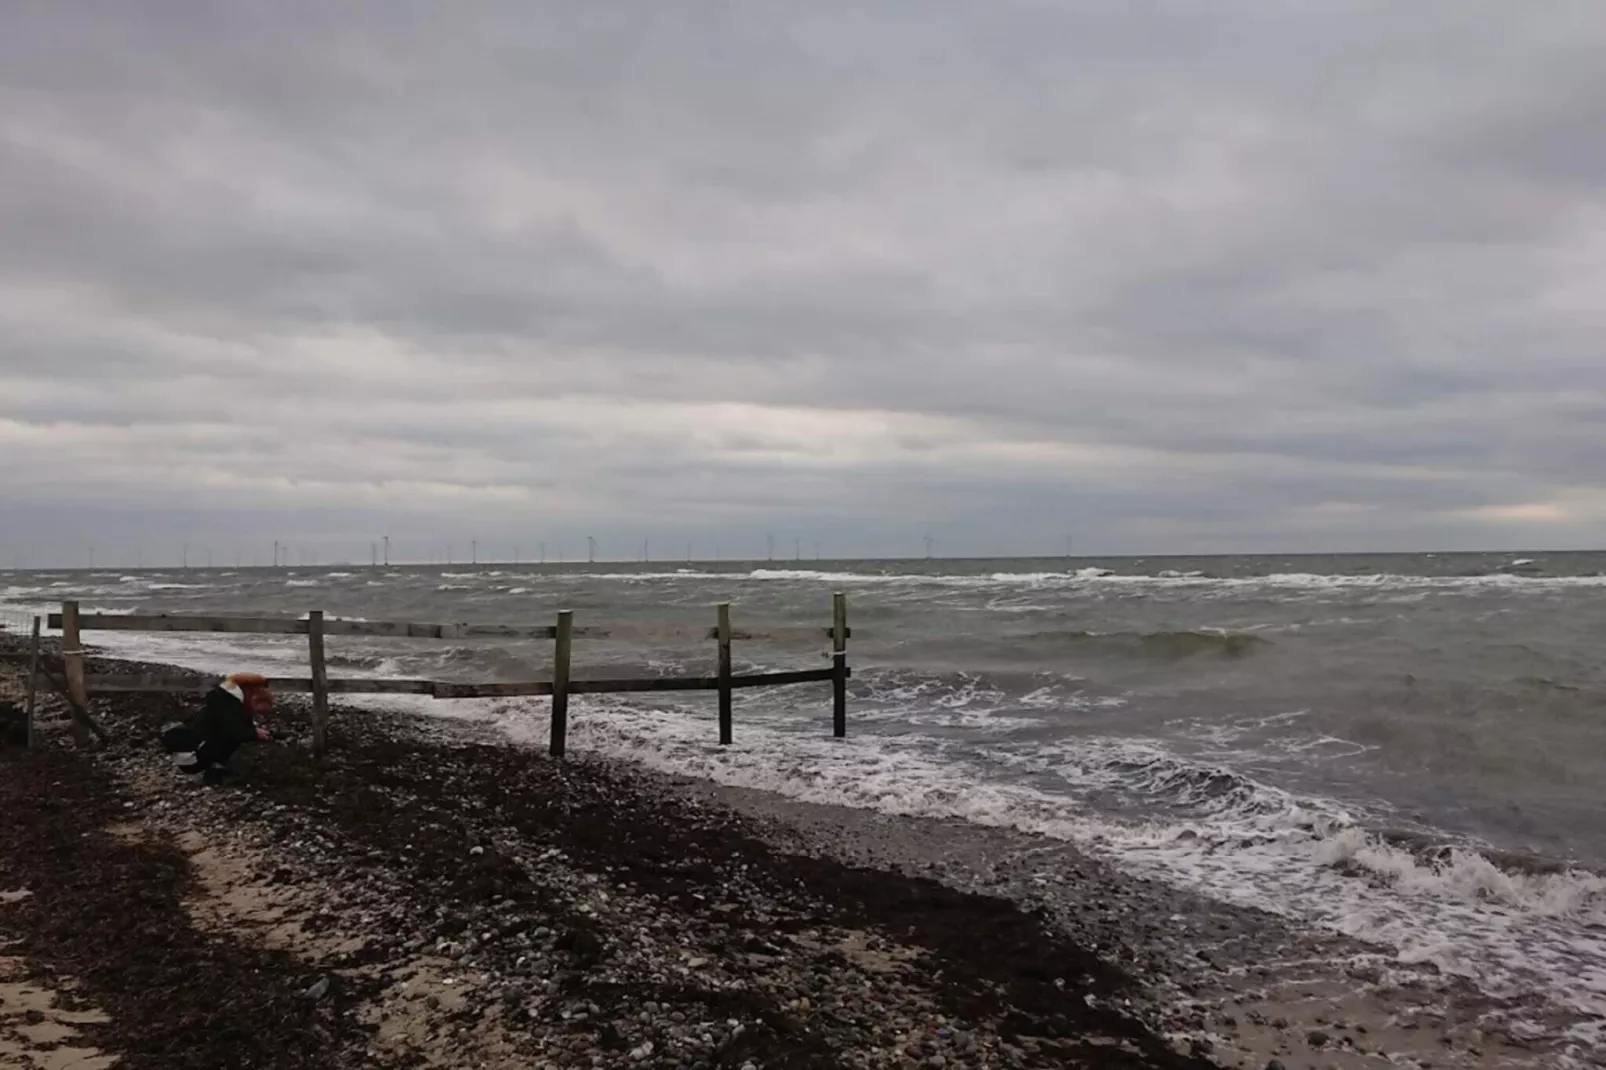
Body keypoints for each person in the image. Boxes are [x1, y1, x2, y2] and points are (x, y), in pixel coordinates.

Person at [160, 672, 273, 784]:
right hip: (193, 759)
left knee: (227, 737)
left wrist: (253, 730)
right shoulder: (229, 705)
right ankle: (215, 772)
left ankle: (213, 768)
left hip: (188, 754)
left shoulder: (222, 699)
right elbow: (237, 732)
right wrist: (254, 733)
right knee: (242, 746)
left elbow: (231, 725)